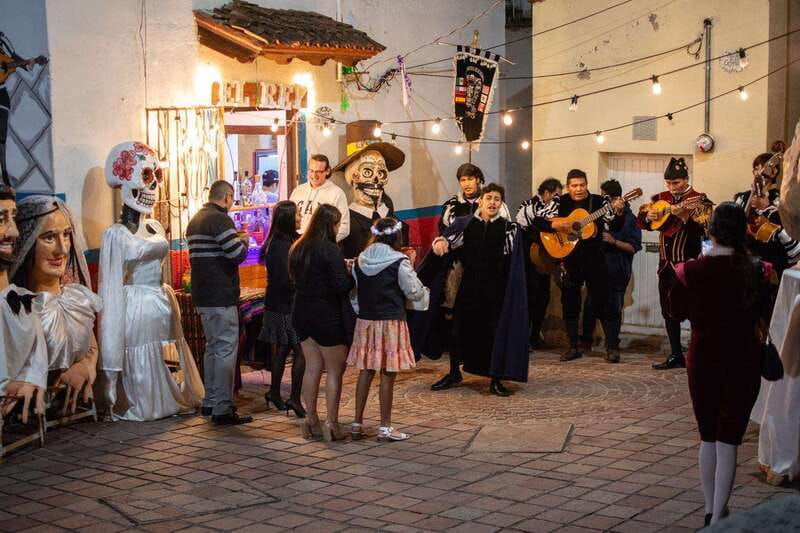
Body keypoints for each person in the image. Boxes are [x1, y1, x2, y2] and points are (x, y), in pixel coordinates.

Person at [668, 202, 771, 527]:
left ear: (710, 230)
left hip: (704, 357)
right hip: (743, 359)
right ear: (744, 231)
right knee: (729, 439)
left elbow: (674, 311)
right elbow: (765, 313)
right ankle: (718, 513)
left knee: (708, 436)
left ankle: (710, 509)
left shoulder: (691, 270)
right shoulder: (757, 270)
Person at [100, 142, 204, 422]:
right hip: (135, 303)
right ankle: (143, 400)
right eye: (146, 176)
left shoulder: (155, 226)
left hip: (160, 298)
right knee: (140, 350)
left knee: (161, 350)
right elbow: (110, 283)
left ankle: (167, 396)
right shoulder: (116, 234)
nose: (153, 185)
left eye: (157, 176)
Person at [429, 183, 529, 396]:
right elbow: (447, 240)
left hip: (496, 289)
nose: (493, 202)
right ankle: (454, 373)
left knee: (493, 333)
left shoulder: (509, 229)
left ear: (501, 203)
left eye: (497, 199)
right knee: (457, 331)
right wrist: (439, 243)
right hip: (469, 286)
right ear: (481, 201)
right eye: (489, 198)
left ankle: (495, 379)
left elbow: (513, 262)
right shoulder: (465, 224)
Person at [10, 196, 102, 415]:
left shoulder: (77, 300)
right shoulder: (19, 308)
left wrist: (86, 365)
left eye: (66, 235)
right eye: (49, 237)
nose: (62, 249)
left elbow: (91, 346)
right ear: (26, 243)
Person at [348, 217, 429, 442]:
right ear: (396, 236)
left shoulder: (360, 259)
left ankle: (356, 424)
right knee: (388, 373)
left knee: (365, 370)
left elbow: (355, 294)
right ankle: (385, 427)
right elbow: (413, 291)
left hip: (366, 321)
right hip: (391, 321)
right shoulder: (399, 261)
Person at [535, 169, 625, 362]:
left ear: (587, 185)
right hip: (570, 259)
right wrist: (556, 225)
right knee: (570, 303)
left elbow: (615, 226)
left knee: (603, 301)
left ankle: (611, 347)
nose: (578, 189)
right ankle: (573, 347)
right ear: (568, 187)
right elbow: (538, 220)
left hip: (595, 259)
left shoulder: (599, 202)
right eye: (574, 185)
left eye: (582, 185)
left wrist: (618, 211)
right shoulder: (560, 202)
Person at [186, 180, 252, 425]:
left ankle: (210, 401)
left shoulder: (195, 220)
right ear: (226, 197)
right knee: (225, 350)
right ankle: (223, 407)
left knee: (212, 348)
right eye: (232, 198)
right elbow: (237, 255)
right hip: (221, 294)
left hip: (202, 295)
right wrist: (244, 240)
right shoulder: (220, 220)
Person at [637, 157, 713, 370]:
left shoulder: (699, 199)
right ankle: (676, 354)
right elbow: (642, 222)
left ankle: (698, 354)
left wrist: (687, 217)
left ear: (686, 179)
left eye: (676, 182)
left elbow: (707, 230)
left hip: (690, 264)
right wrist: (648, 216)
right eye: (669, 183)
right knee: (668, 309)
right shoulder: (660, 198)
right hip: (665, 265)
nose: (672, 187)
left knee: (695, 309)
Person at [289, 204, 354, 441]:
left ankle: (310, 420)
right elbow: (341, 285)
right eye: (337, 224)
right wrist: (349, 273)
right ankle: (331, 424)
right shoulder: (330, 249)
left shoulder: (298, 247)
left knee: (312, 367)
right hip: (326, 313)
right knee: (335, 370)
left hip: (301, 311)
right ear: (331, 225)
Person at [579, 179, 642, 363]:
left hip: (616, 270)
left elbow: (634, 247)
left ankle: (612, 347)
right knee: (590, 305)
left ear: (615, 198)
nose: (602, 200)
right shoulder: (600, 213)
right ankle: (586, 341)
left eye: (605, 196)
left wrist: (614, 242)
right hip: (596, 269)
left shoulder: (630, 218)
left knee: (613, 309)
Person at [0, 185, 47, 423]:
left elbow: (37, 352)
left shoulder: (22, 300)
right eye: (1, 219)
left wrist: (30, 379)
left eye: (14, 218)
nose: (14, 232)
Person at [258, 200, 305, 417]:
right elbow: (284, 280)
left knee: (284, 348)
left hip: (283, 303)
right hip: (284, 305)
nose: (300, 217)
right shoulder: (279, 246)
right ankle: (294, 398)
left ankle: (274, 392)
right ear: (287, 219)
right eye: (297, 214)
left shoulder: (290, 240)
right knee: (301, 351)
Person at [733, 151, 800, 277]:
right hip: (746, 258)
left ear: (774, 171)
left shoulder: (783, 199)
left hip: (774, 260)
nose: (759, 173)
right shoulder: (743, 197)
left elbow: (791, 233)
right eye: (756, 169)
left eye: (762, 168)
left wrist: (766, 208)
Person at [516, 177, 563, 350]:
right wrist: (552, 226)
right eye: (556, 195)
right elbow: (535, 224)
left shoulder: (555, 209)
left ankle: (535, 336)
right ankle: (524, 339)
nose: (558, 199)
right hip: (529, 262)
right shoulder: (528, 206)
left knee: (543, 298)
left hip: (546, 261)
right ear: (547, 193)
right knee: (530, 299)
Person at [289, 154, 350, 242]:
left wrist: (323, 243)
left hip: (320, 244)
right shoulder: (298, 190)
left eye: (319, 172)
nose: (314, 175)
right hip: (296, 242)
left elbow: (344, 227)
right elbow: (289, 218)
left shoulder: (337, 193)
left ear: (327, 171)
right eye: (311, 171)